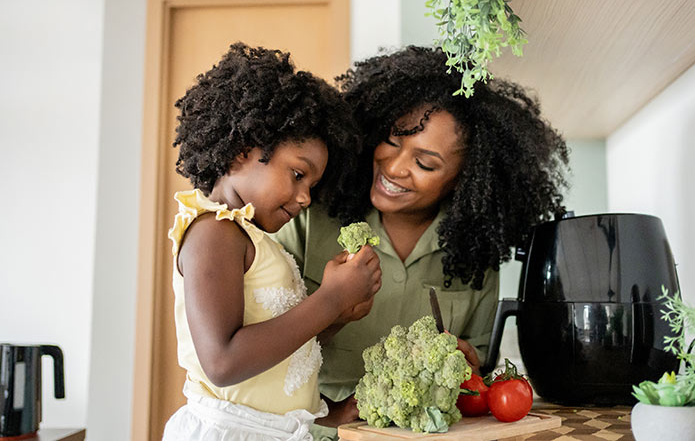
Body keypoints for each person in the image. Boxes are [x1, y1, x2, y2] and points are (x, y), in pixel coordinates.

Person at [274, 46, 570, 439]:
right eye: (392, 141)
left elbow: (478, 375)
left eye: (425, 163)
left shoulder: (475, 255)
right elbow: (257, 346)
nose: (395, 168)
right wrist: (335, 312)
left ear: (464, 180)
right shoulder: (308, 216)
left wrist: (468, 369)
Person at [162, 43, 382, 441]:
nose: (306, 198)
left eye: (312, 185)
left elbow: (273, 354)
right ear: (241, 151)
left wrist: (336, 318)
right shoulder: (214, 232)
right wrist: (330, 298)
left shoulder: (256, 240)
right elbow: (224, 362)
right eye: (298, 175)